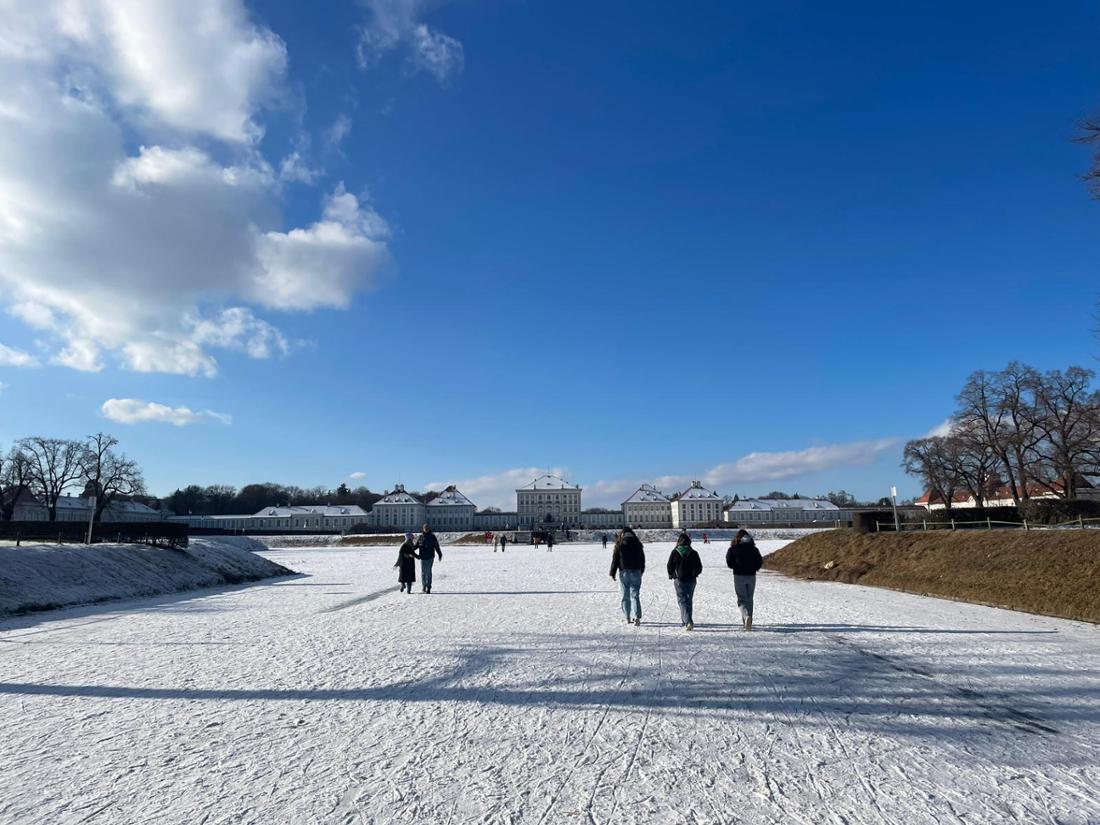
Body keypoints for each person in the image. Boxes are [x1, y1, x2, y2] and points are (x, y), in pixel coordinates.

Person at [726, 529, 763, 630]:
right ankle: (748, 620)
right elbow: (759, 561)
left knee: (742, 599)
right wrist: (754, 568)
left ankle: (746, 617)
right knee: (749, 598)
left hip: (739, 575)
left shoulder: (733, 549)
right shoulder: (754, 549)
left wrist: (736, 567)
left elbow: (729, 562)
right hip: (751, 575)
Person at [666, 532, 703, 630]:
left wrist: (671, 574)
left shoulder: (675, 552)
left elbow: (669, 565)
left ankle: (687, 621)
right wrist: (695, 574)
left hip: (679, 579)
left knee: (682, 600)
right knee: (689, 600)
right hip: (691, 579)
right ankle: (687, 620)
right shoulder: (694, 552)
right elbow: (699, 567)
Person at [610, 527, 645, 625]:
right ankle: (637, 617)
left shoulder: (619, 544)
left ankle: (627, 617)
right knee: (635, 595)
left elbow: (615, 560)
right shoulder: (638, 544)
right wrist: (641, 570)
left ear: (622, 534)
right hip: (636, 571)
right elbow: (642, 559)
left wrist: (612, 573)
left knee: (625, 596)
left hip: (624, 572)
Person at [416, 524, 443, 593]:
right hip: (423, 557)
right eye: (425, 528)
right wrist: (410, 550)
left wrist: (439, 554)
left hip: (430, 557)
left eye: (427, 528)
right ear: (423, 529)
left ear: (429, 529)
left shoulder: (432, 536)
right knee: (423, 573)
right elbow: (416, 545)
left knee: (428, 572)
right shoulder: (421, 537)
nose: (426, 529)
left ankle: (428, 587)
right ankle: (424, 586)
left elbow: (436, 546)